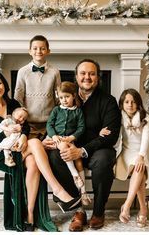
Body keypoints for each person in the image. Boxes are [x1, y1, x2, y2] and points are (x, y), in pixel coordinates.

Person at [0, 70, 81, 232]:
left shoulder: (12, 104)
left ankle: (30, 215)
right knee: (35, 142)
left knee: (32, 159)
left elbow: (25, 127)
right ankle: (58, 189)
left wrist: (24, 136)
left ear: (4, 84)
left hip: (18, 146)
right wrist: (6, 132)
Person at [44, 59, 121, 231]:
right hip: (68, 148)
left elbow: (111, 136)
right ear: (76, 77)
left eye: (92, 74)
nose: (87, 77)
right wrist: (48, 138)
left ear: (98, 77)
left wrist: (82, 150)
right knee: (56, 155)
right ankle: (78, 211)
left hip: (95, 151)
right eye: (83, 73)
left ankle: (98, 212)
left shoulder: (108, 101)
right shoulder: (67, 97)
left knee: (104, 159)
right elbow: (54, 122)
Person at [46, 81, 91, 206]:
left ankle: (83, 192)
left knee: (78, 160)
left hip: (69, 140)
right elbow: (49, 124)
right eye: (61, 97)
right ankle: (75, 175)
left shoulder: (78, 111)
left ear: (73, 96)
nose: (64, 100)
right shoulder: (56, 110)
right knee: (65, 148)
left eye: (67, 97)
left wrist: (71, 137)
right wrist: (54, 136)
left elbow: (81, 128)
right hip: (55, 139)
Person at [115, 88, 149, 228]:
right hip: (125, 152)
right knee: (140, 174)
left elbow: (145, 139)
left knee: (139, 168)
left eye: (133, 102)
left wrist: (141, 156)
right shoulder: (119, 116)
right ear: (122, 104)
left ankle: (127, 206)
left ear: (138, 104)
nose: (130, 105)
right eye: (126, 102)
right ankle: (143, 208)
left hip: (139, 152)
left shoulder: (145, 117)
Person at [14, 35, 61, 140]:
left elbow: (58, 97)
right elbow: (18, 98)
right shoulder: (23, 72)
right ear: (29, 51)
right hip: (29, 124)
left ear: (48, 51)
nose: (38, 51)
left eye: (42, 48)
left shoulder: (54, 72)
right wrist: (21, 119)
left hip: (50, 124)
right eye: (35, 48)